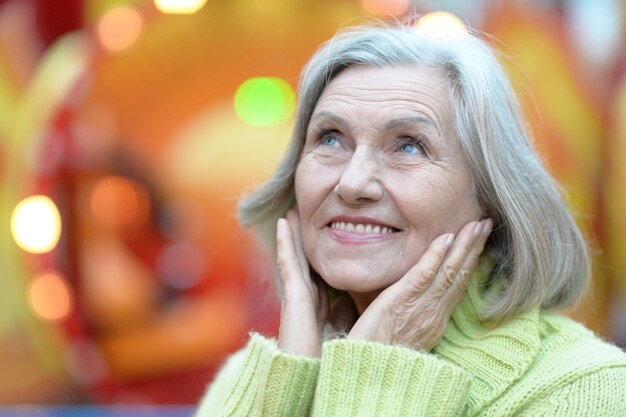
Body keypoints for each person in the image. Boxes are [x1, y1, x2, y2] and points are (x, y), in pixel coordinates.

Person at [194, 18, 626, 416]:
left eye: (408, 146)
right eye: (330, 138)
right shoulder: (250, 378)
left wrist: (376, 382)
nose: (352, 182)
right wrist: (288, 386)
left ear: (492, 195)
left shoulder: (584, 390)